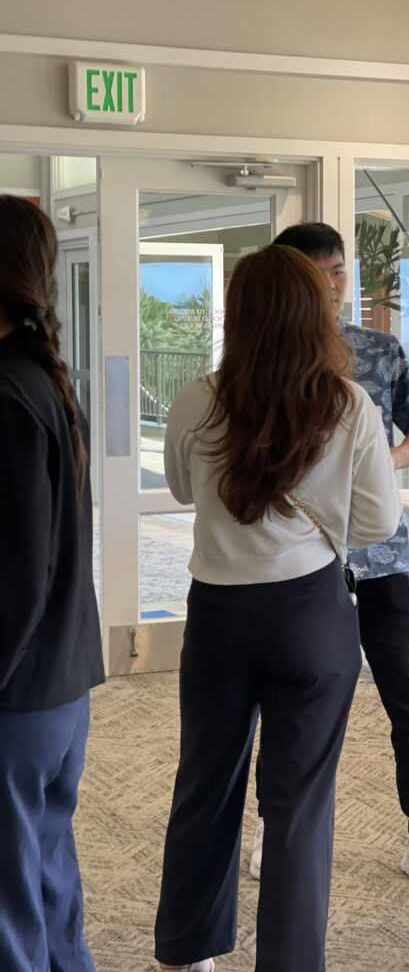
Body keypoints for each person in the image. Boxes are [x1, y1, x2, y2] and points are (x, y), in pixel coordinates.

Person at [154, 244, 401, 972]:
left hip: (218, 614)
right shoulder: (348, 404)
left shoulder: (196, 399)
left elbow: (180, 489)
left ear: (238, 316)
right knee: (298, 809)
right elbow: (378, 523)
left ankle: (186, 954)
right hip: (310, 611)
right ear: (314, 314)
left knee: (206, 782)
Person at [246, 221, 409, 892]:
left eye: (341, 270)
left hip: (382, 557)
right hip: (299, 563)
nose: (337, 284)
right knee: (292, 702)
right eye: (323, 271)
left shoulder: (379, 351)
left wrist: (375, 464)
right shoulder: (263, 360)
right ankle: (276, 823)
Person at [0, 195, 104, 971]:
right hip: (60, 689)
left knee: (11, 908)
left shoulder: (8, 393)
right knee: (46, 880)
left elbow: (15, 577)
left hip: (17, 696)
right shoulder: (44, 384)